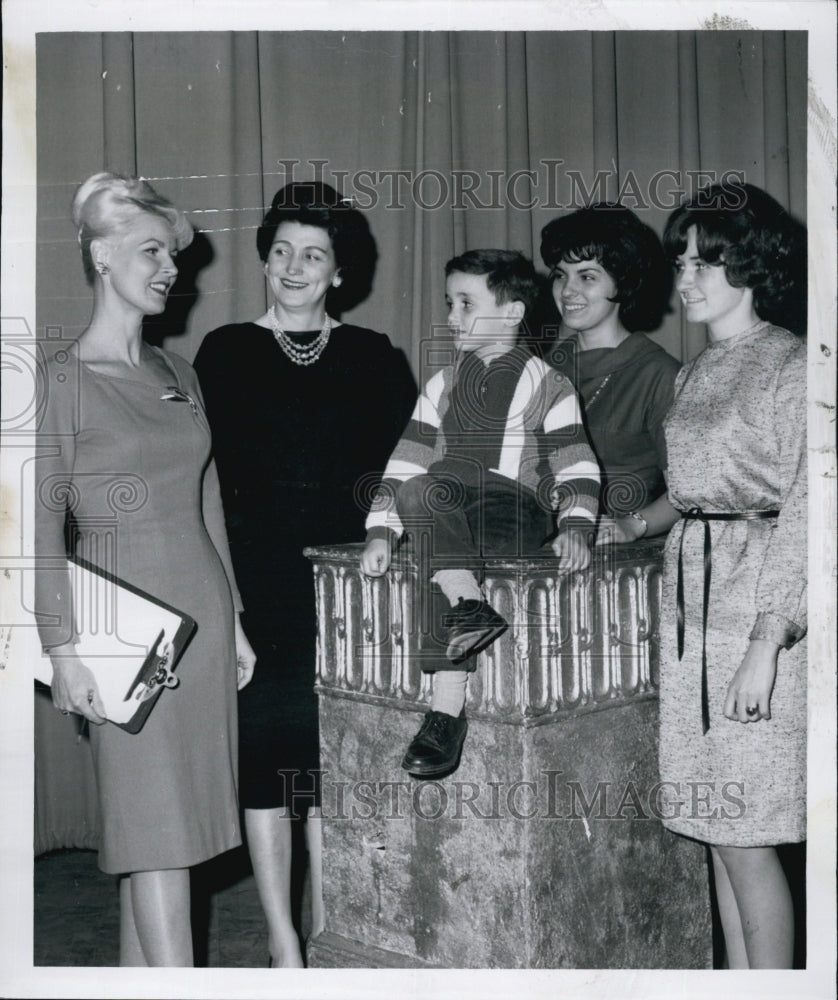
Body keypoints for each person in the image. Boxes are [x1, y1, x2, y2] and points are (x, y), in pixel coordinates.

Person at [35, 172, 256, 967]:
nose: (170, 268)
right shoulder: (60, 380)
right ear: (100, 256)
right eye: (150, 250)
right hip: (124, 638)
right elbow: (30, 530)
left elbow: (209, 507)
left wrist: (232, 619)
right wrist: (62, 651)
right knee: (154, 833)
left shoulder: (178, 373)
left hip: (200, 624)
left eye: (174, 253)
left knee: (172, 842)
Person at [193, 181, 416, 967]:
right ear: (264, 260)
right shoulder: (224, 352)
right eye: (281, 251)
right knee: (269, 765)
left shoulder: (374, 357)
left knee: (328, 770)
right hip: (257, 593)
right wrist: (227, 602)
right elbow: (203, 484)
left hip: (354, 591)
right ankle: (284, 946)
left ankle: (325, 932)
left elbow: (408, 474)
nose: (293, 267)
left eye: (312, 254)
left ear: (339, 272)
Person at [361, 250, 600, 780]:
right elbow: (404, 463)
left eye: (467, 303)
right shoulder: (441, 385)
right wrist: (380, 530)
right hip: (450, 513)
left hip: (514, 512)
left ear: (513, 313)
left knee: (437, 494)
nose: (452, 316)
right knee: (429, 510)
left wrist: (578, 525)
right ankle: (447, 710)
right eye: (450, 303)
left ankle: (462, 622)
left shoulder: (548, 383)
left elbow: (575, 463)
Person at [657, 182, 807, 968]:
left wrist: (767, 640)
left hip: (754, 614)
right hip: (691, 615)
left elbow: (812, 511)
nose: (685, 275)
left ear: (748, 264)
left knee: (748, 834)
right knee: (715, 829)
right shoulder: (694, 372)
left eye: (703, 259)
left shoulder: (790, 362)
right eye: (681, 259)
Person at [540, 203, 681, 539]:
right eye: (560, 275)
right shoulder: (541, 367)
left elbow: (692, 488)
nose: (568, 290)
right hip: (544, 546)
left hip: (618, 559)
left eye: (587, 276)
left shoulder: (659, 374)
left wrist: (634, 524)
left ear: (623, 281)